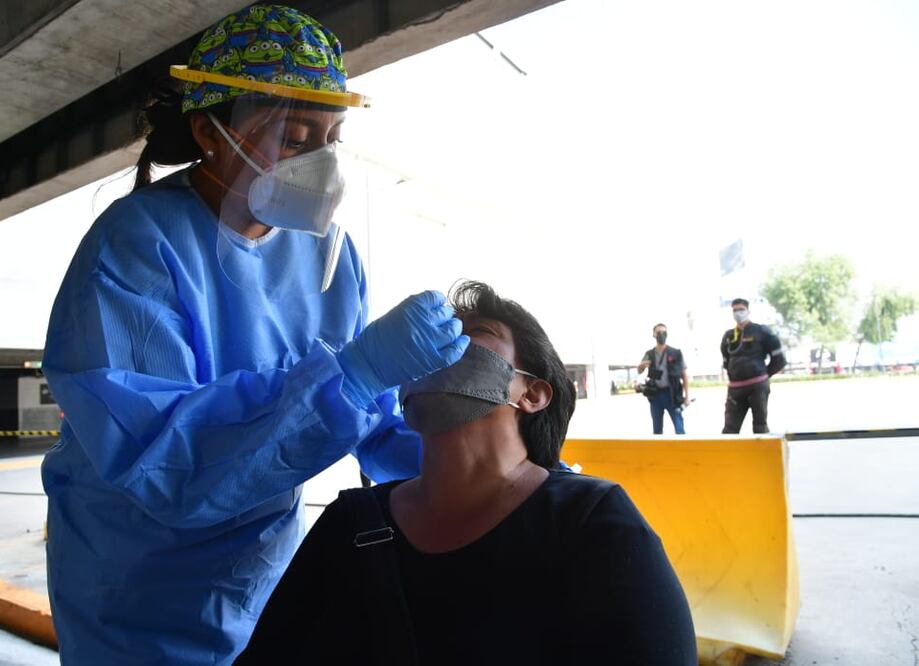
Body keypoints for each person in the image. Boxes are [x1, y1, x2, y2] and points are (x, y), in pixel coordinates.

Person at [40, 6, 469, 664]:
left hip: (261, 573)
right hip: (135, 585)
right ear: (210, 132)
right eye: (294, 137)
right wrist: (351, 377)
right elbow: (162, 461)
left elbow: (370, 422)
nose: (321, 163)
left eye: (331, 138)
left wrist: (474, 461)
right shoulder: (136, 244)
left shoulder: (329, 256)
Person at [239, 282, 697, 665]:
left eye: (475, 331)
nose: (442, 344)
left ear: (533, 394)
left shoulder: (593, 523)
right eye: (435, 334)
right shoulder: (351, 523)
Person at [720, 298, 786, 433]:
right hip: (735, 389)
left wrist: (763, 375)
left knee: (760, 427)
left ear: (748, 311)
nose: (738, 313)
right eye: (735, 310)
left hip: (757, 387)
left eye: (741, 309)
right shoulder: (728, 336)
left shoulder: (762, 331)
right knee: (729, 430)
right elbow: (726, 362)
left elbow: (779, 360)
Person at [638, 323, 690, 434]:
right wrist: (640, 367)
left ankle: (683, 445)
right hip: (655, 395)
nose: (661, 334)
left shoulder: (676, 353)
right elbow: (640, 371)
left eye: (664, 332)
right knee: (657, 430)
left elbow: (684, 375)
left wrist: (687, 396)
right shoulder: (649, 354)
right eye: (658, 332)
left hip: (672, 395)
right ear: (653, 334)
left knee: (679, 428)